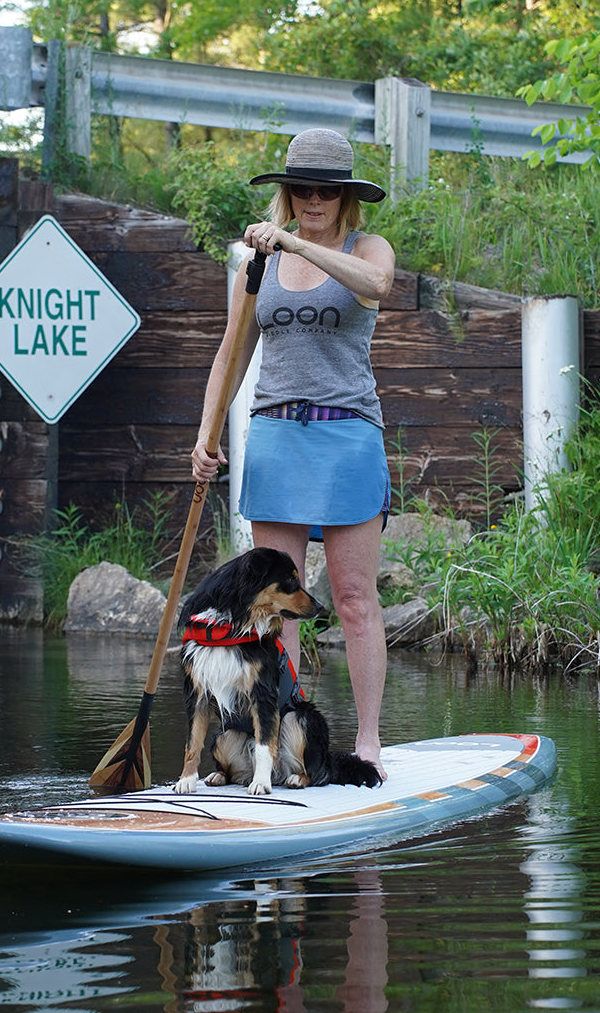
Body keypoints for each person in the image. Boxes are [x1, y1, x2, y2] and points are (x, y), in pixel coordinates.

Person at [190, 128, 395, 779]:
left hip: (348, 435)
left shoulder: (367, 248)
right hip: (276, 434)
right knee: (281, 602)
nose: (311, 199)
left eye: (324, 190)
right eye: (300, 189)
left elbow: (378, 284)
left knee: (355, 596)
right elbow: (232, 351)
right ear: (288, 192)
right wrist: (207, 432)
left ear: (344, 197)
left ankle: (367, 741)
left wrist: (295, 240)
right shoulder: (260, 266)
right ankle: (276, 747)